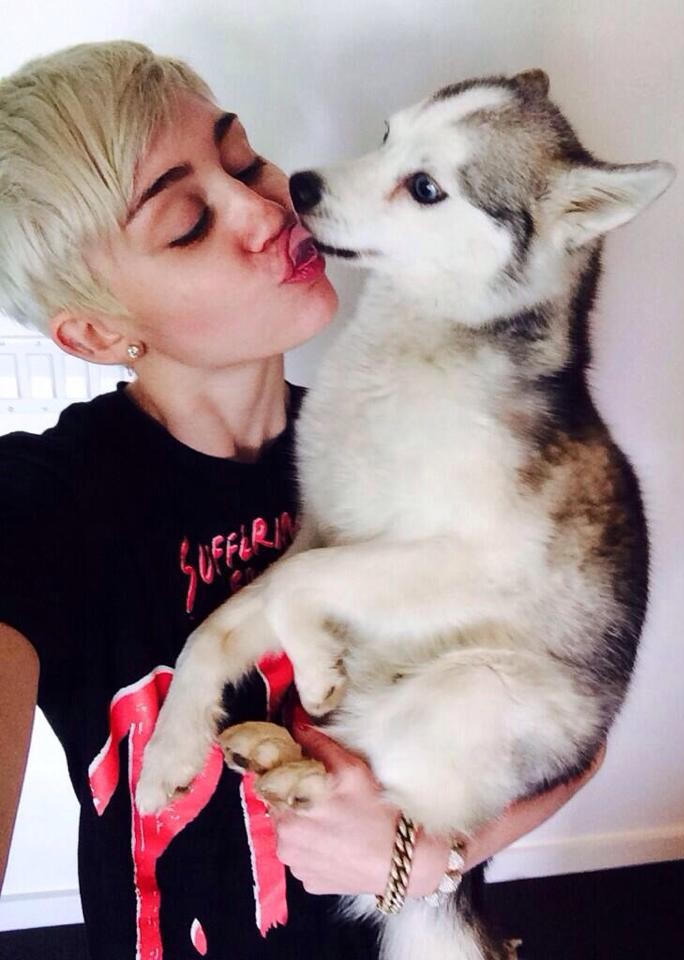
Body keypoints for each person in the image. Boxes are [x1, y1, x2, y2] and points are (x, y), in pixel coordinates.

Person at [0, 40, 604, 960]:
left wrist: (427, 858)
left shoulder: (417, 451)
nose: (267, 205)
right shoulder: (44, 504)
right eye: (188, 222)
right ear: (96, 332)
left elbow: (580, 707)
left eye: (243, 159)